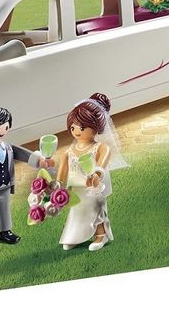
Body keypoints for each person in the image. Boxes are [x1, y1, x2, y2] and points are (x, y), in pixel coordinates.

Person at [0, 106, 50, 255]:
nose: (2, 132)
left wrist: (39, 160)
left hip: (5, 186)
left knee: (4, 210)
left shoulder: (8, 148)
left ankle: (5, 231)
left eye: (5, 127)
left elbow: (23, 154)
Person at [54, 92, 127, 252]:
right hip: (76, 187)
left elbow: (101, 165)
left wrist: (96, 175)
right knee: (77, 211)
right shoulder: (69, 151)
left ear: (96, 127)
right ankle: (74, 236)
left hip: (92, 186)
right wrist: (57, 184)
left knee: (96, 209)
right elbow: (62, 170)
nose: (76, 131)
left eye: (82, 127)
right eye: (73, 127)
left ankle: (101, 235)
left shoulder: (101, 147)